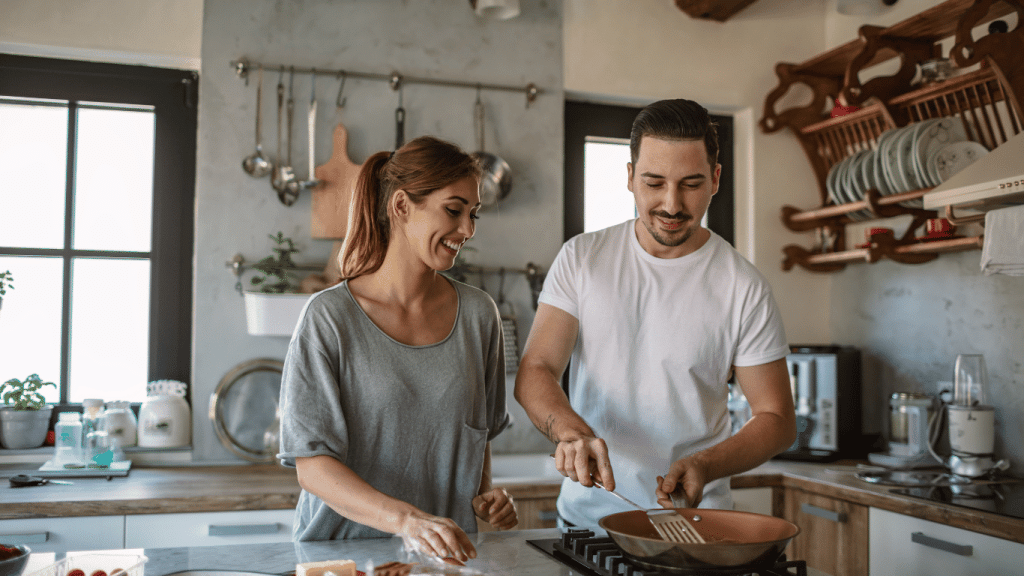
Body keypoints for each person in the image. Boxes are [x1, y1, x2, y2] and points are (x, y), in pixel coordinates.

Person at [514, 99, 796, 529]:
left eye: (691, 183)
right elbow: (537, 368)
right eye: (654, 182)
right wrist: (573, 435)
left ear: (716, 179)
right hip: (590, 523)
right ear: (629, 178)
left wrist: (706, 463)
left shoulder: (743, 286)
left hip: (695, 525)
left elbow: (775, 418)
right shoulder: (583, 259)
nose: (671, 203)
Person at [277, 136, 517, 558]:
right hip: (342, 557)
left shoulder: (480, 315)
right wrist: (406, 521)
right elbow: (312, 467)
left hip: (442, 559)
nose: (467, 230)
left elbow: (477, 435)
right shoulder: (329, 318)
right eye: (454, 210)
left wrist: (483, 494)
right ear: (402, 206)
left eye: (473, 214)